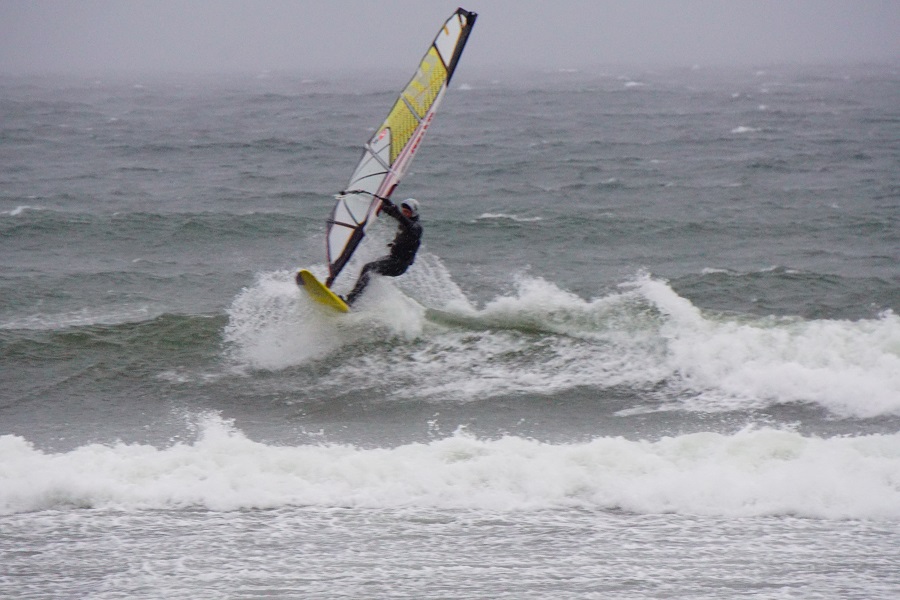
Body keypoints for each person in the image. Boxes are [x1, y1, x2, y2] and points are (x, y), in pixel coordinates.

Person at [344, 198, 422, 306]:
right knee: (368, 269)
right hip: (392, 259)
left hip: (399, 265)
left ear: (413, 213)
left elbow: (405, 221)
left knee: (368, 268)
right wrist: (381, 205)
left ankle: (350, 301)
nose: (405, 214)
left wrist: (395, 210)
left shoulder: (416, 227)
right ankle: (356, 300)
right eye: (403, 211)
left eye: (407, 212)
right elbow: (396, 215)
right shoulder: (405, 221)